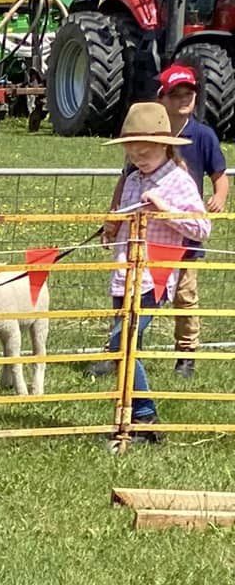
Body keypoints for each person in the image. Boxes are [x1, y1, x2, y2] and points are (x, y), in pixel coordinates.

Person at [97, 101, 210, 444]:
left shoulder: (179, 181)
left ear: (165, 146)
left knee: (122, 341)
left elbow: (202, 228)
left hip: (153, 277)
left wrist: (165, 210)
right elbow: (126, 212)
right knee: (127, 349)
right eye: (132, 151)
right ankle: (129, 419)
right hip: (124, 274)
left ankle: (145, 417)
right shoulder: (132, 179)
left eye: (145, 151)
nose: (138, 158)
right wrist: (112, 228)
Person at [156, 62, 228, 376]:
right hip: (152, 231)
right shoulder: (152, 133)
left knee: (185, 294)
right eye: (176, 95)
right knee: (136, 291)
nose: (183, 99)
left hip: (186, 230)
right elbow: (127, 176)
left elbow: (220, 175)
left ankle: (186, 353)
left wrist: (220, 196)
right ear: (162, 98)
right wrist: (114, 216)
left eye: (189, 94)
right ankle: (119, 350)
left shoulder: (203, 135)